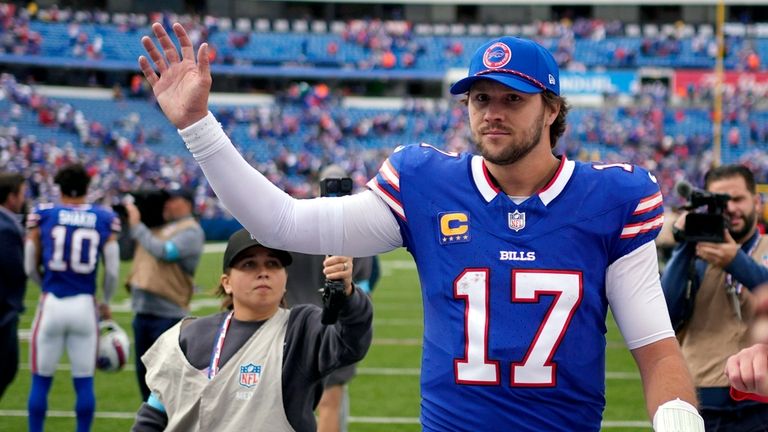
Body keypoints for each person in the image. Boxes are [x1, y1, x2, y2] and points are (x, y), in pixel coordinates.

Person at [139, 23, 703, 431]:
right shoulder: (426, 184)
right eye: (481, 98)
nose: (493, 112)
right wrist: (198, 126)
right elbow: (281, 221)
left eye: (513, 98)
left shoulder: (609, 199)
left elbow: (656, 351)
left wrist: (678, 416)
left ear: (552, 109)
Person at [130, 228, 373, 431]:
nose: (263, 272)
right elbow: (153, 414)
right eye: (249, 264)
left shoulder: (301, 329)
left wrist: (347, 293)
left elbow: (351, 341)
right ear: (227, 283)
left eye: (273, 263)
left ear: (285, 279)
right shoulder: (189, 335)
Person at [662, 164, 768, 429]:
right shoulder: (695, 255)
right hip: (702, 395)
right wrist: (686, 241)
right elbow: (665, 313)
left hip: (762, 395)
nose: (730, 208)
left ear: (756, 202)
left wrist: (736, 261)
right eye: (720, 201)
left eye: (737, 199)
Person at [24, 163, 120, 432]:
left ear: (59, 187)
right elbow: (111, 270)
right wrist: (106, 301)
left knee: (41, 381)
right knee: (84, 382)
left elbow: (29, 264)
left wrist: (42, 284)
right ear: (87, 188)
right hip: (84, 306)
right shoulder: (103, 217)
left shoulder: (44, 214)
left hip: (52, 303)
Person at [283, 164, 375, 432]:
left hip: (290, 325)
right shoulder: (356, 231)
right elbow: (363, 286)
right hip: (334, 326)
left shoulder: (296, 222)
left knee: (286, 404)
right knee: (330, 404)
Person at [124, 186, 205, 401]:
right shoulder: (157, 226)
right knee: (145, 379)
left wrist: (137, 226)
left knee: (166, 383)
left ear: (186, 204)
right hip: (142, 313)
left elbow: (165, 252)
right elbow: (125, 252)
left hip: (168, 315)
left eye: (172, 199)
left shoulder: (191, 230)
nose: (166, 204)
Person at [0, 172, 27, 399]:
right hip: (3, 313)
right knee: (6, 369)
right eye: (21, 194)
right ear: (11, 197)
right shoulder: (6, 227)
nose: (23, 199)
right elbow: (16, 271)